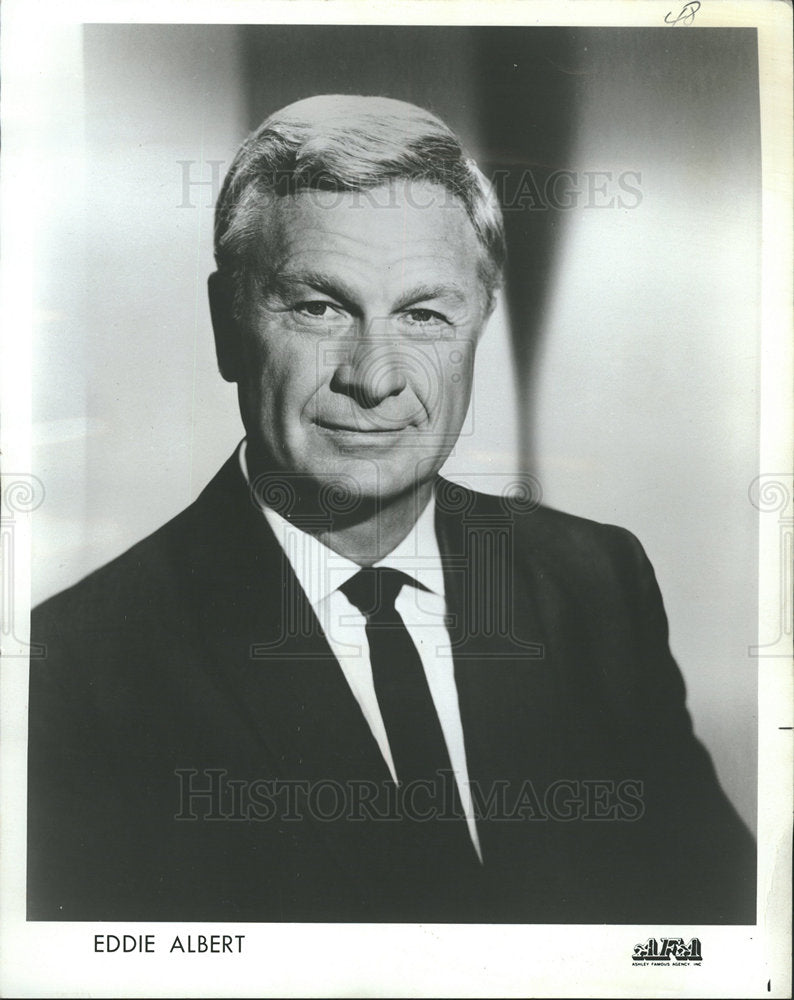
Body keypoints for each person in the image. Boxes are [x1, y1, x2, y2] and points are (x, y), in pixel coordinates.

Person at [27, 95, 755, 923]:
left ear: (479, 321)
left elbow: (717, 919)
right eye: (318, 307)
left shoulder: (595, 581)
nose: (375, 377)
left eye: (423, 313)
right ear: (228, 326)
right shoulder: (78, 672)